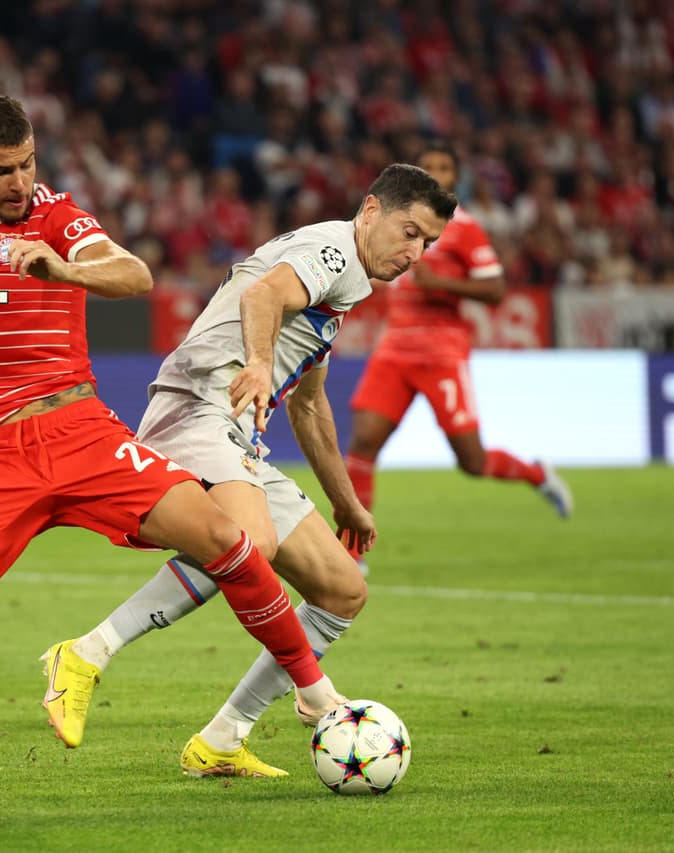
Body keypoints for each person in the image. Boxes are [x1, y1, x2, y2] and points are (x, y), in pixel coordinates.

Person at [0, 95, 344, 799]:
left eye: (29, 163)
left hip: (79, 432)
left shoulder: (58, 217)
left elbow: (133, 273)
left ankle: (316, 693)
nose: (19, 182)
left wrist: (62, 268)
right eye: (3, 170)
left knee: (227, 536)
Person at [42, 163, 457, 777]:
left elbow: (311, 405)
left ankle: (222, 739)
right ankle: (85, 653)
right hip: (198, 404)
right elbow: (264, 296)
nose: (415, 252)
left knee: (342, 590)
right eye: (409, 231)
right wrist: (260, 363)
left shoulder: (342, 282)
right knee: (249, 542)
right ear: (371, 210)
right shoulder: (332, 251)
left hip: (238, 431)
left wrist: (345, 503)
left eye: (427, 243)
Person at [346, 142, 572, 573]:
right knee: (361, 446)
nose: (435, 172)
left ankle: (537, 474)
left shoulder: (465, 229)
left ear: (456, 177)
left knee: (472, 461)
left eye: (444, 167)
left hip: (442, 353)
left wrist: (442, 285)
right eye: (427, 166)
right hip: (395, 348)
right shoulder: (399, 223)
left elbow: (496, 290)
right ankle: (351, 555)